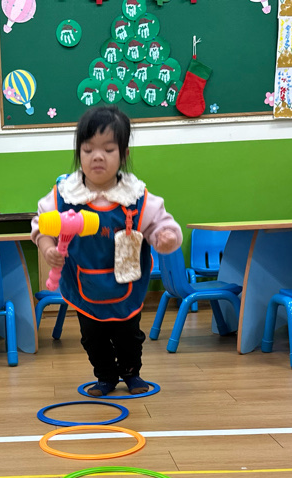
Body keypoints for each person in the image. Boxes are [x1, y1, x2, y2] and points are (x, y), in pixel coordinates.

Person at [32, 105, 182, 396]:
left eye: (108, 149)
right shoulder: (65, 194)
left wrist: (165, 238)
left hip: (125, 285)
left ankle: (131, 373)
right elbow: (42, 225)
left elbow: (162, 225)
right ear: (79, 153)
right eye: (88, 149)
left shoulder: (136, 196)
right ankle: (105, 376)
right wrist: (48, 247)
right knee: (92, 338)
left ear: (123, 154)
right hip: (84, 285)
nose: (97, 156)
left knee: (129, 336)